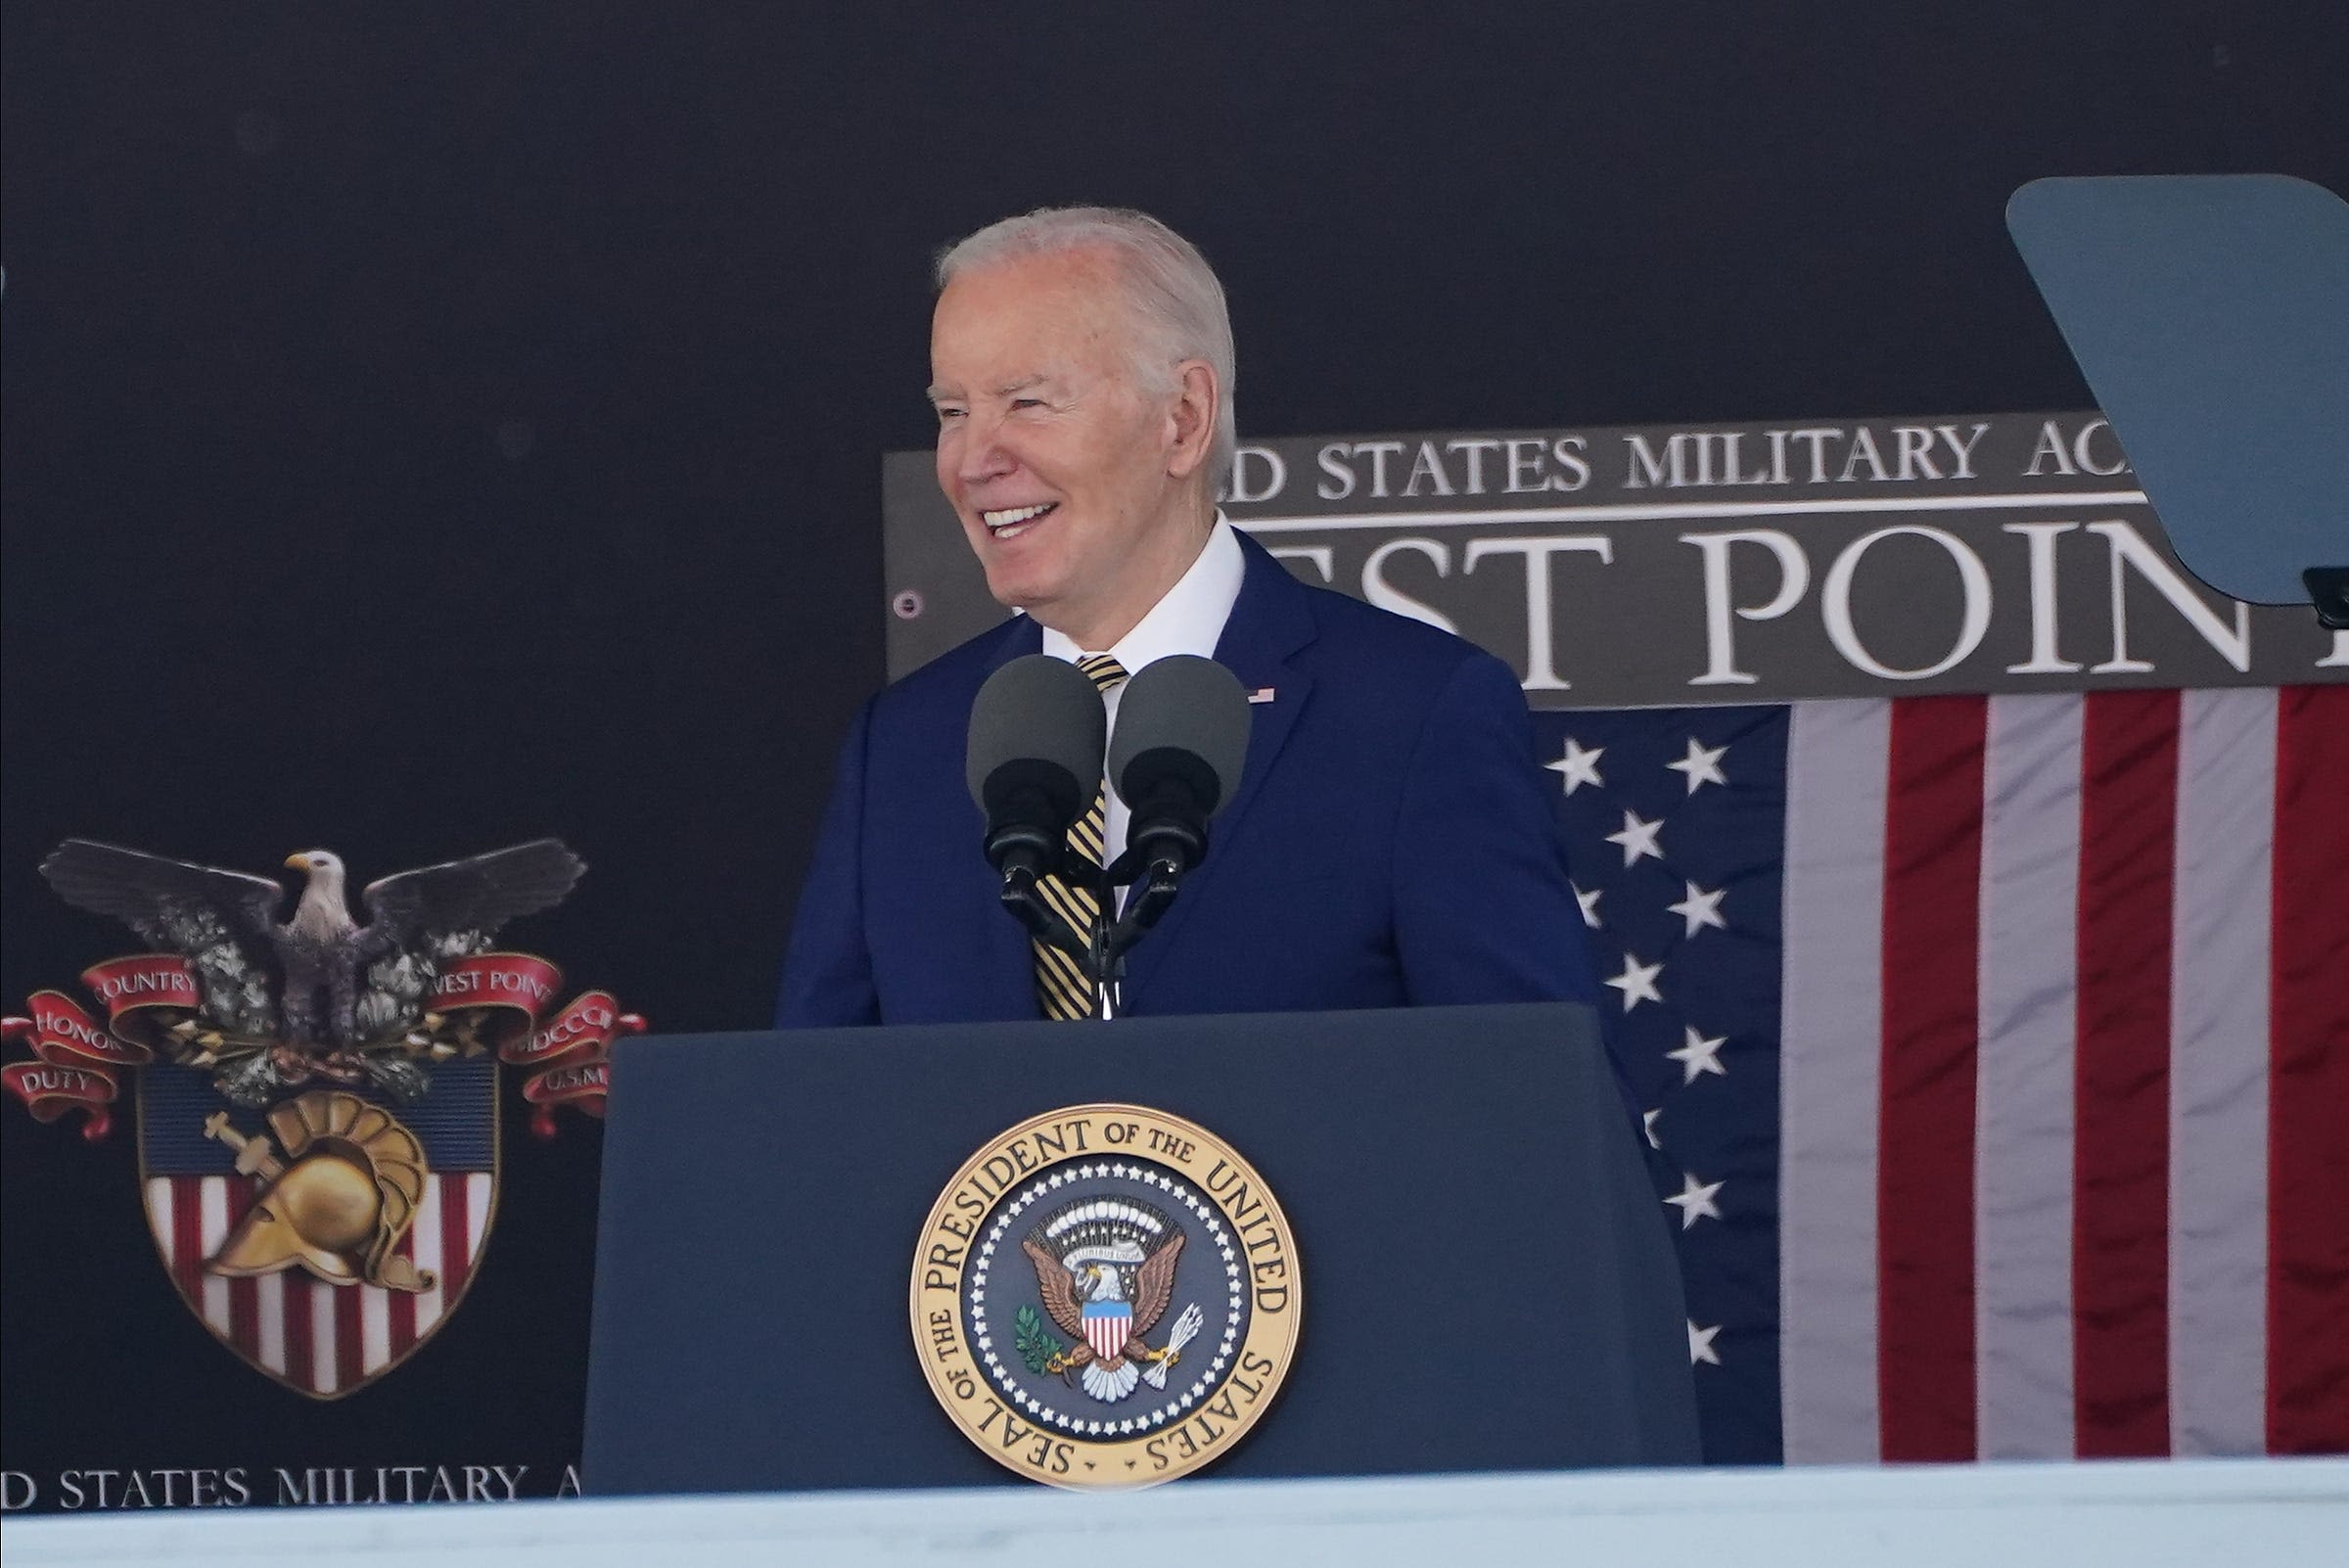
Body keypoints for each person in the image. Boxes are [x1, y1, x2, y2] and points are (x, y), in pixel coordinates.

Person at [775, 206, 1600, 1027]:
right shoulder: (904, 749)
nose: (972, 460)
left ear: (1183, 418)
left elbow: (1542, 1113)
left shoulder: (1411, 718)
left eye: (1026, 403)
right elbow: (810, 1123)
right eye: (953, 412)